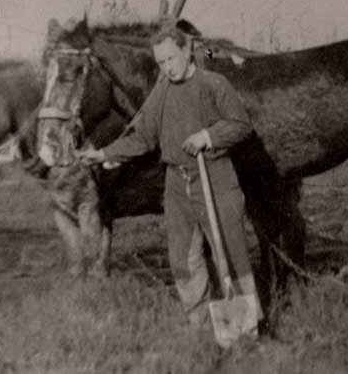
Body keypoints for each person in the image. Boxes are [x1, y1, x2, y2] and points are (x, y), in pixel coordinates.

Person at [77, 21, 260, 327]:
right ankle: (199, 323)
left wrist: (208, 136)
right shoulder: (162, 92)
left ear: (188, 50)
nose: (167, 68)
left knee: (230, 254)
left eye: (171, 59)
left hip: (215, 178)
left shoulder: (214, 84)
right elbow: (142, 137)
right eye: (160, 62)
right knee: (182, 259)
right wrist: (104, 153)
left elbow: (241, 125)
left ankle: (242, 328)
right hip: (177, 183)